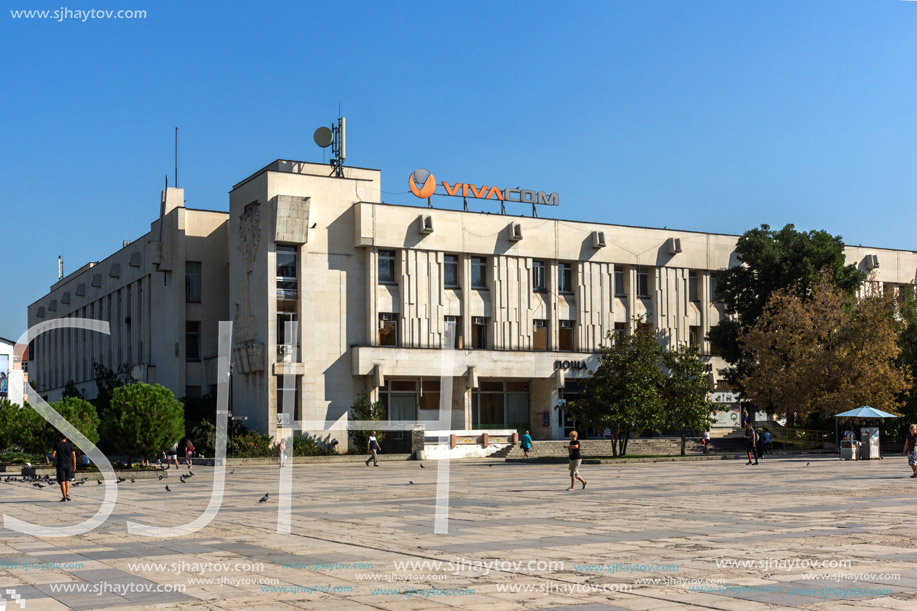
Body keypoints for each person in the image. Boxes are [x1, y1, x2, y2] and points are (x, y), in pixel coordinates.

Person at [51, 433, 76, 502]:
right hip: (69, 464)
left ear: (59, 438)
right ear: (66, 438)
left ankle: (64, 497)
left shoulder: (57, 445)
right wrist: (74, 465)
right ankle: (67, 494)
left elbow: (53, 455)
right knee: (67, 480)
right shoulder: (70, 445)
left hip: (61, 464)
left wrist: (58, 457)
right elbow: (73, 456)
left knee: (62, 481)